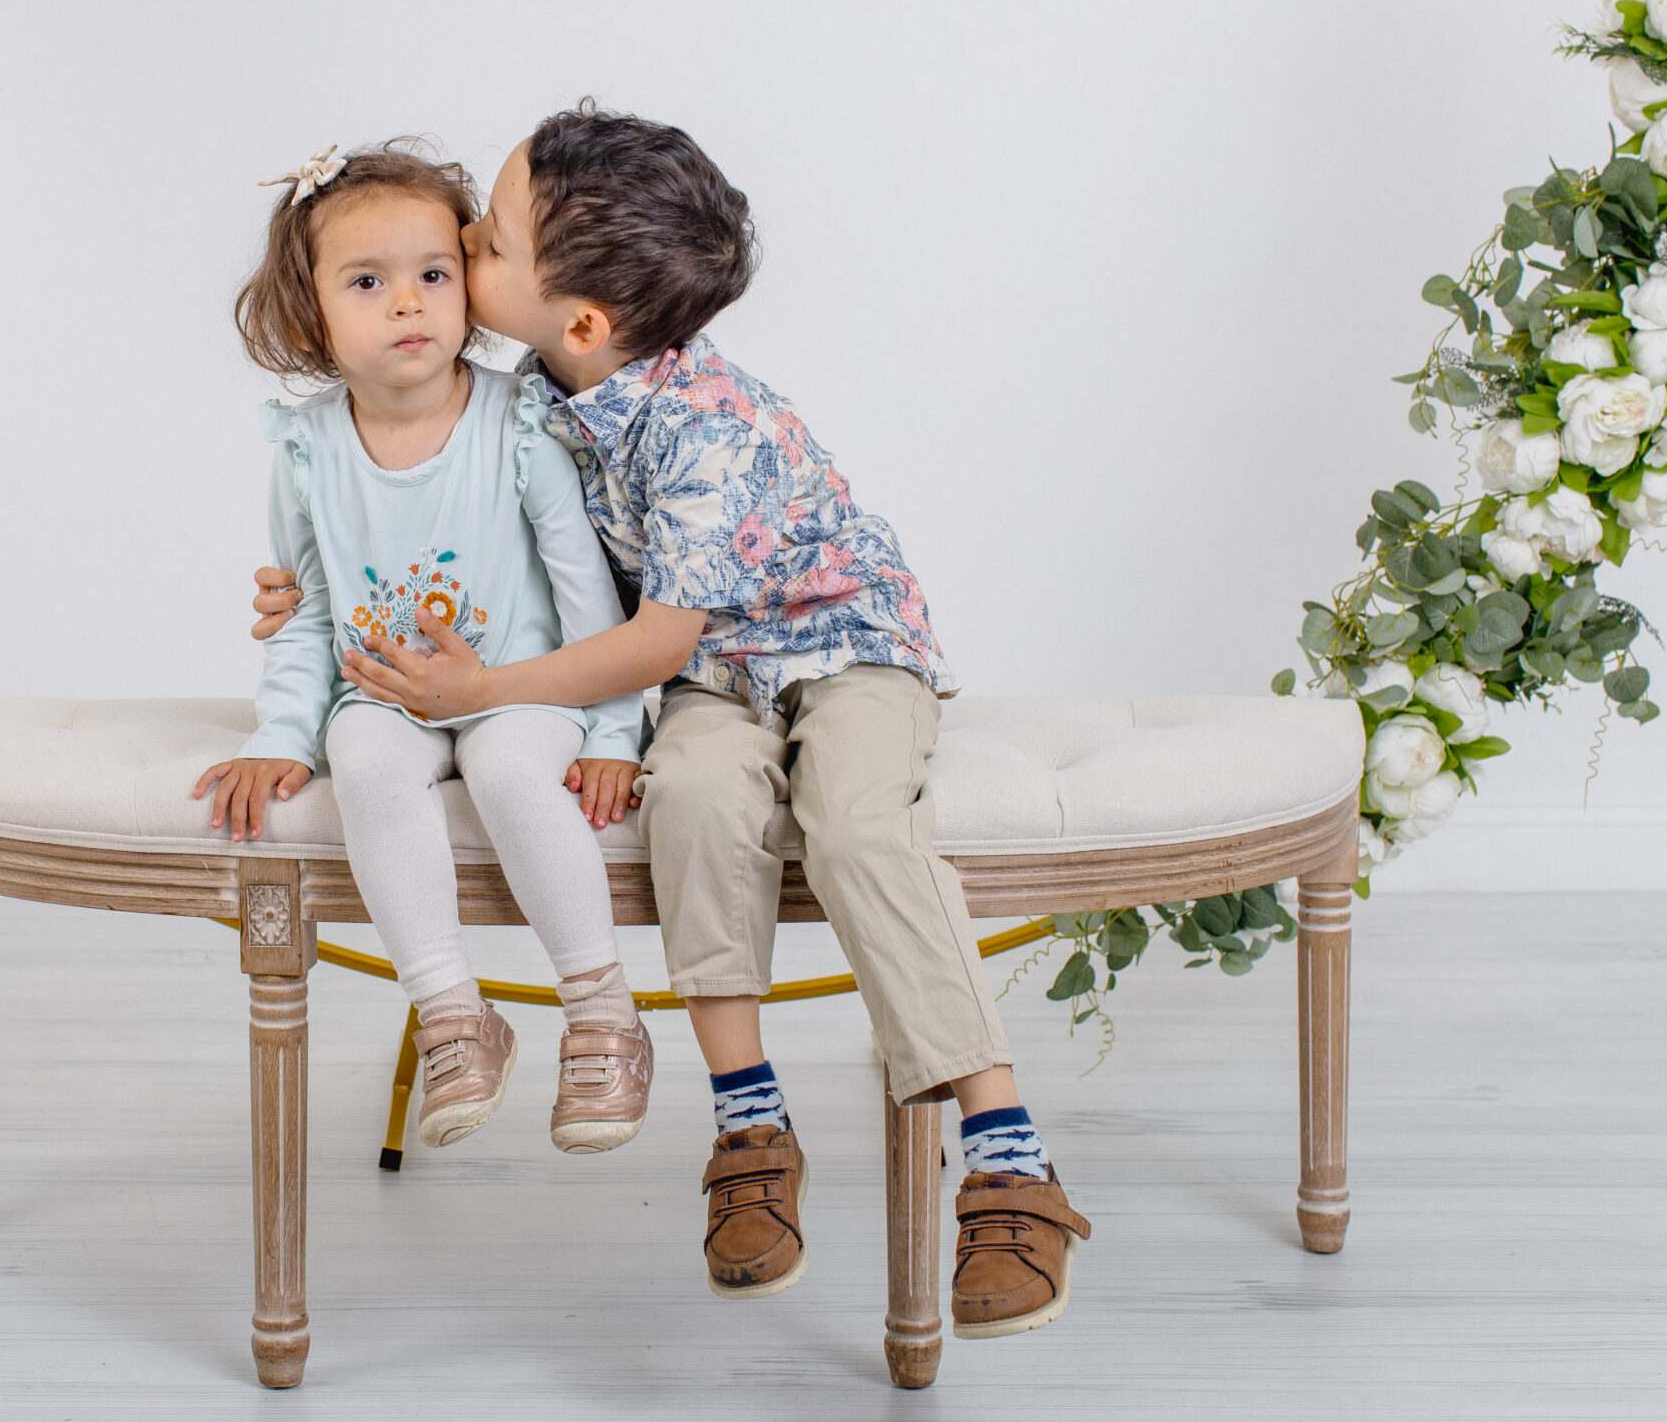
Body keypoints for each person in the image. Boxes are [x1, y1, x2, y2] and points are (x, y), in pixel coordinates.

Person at [250, 105, 1091, 1335]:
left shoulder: (704, 424)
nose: (462, 249)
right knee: (695, 800)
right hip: (711, 687)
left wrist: (484, 695)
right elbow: (456, 517)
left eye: (481, 241)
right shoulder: (534, 390)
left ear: (582, 320)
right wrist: (311, 577)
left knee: (856, 827)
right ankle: (747, 1118)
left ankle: (1007, 1149)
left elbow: (656, 636)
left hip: (835, 649)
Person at [195, 140, 656, 1155]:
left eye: (433, 276)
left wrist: (614, 732)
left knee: (505, 769)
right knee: (363, 758)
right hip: (384, 692)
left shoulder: (520, 421)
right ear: (310, 311)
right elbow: (309, 608)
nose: (408, 304)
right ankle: (453, 1011)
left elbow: (587, 589)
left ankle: (601, 1009)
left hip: (520, 686)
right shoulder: (309, 448)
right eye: (368, 282)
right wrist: (283, 730)